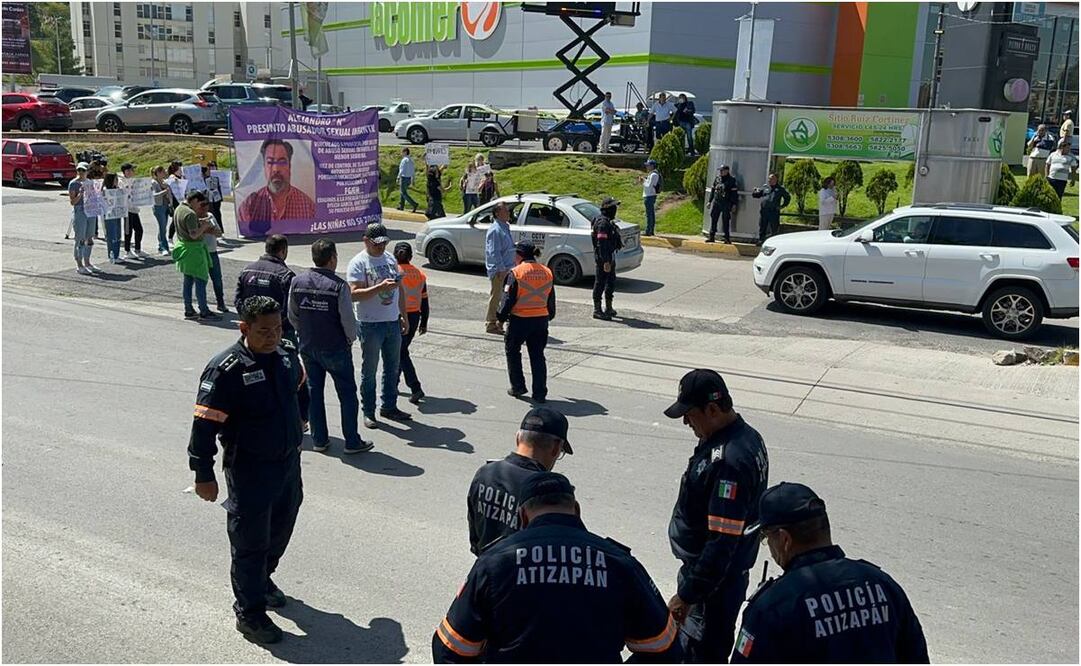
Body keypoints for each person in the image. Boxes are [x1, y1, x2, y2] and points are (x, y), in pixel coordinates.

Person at [433, 471, 682, 663]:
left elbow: (451, 647)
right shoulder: (619, 563)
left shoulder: (494, 563)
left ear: (522, 516)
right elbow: (664, 647)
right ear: (576, 510)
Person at [187, 295, 308, 644]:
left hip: (287, 463)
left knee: (282, 525)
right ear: (244, 328)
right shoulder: (226, 369)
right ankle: (250, 613)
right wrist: (203, 473)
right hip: (250, 469)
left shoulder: (286, 355)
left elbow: (301, 389)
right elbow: (204, 425)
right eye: (263, 330)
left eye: (277, 328)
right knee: (250, 542)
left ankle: (264, 578)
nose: (272, 336)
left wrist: (301, 419)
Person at [730, 483, 929, 663]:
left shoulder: (772, 607)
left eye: (766, 538)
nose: (770, 549)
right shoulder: (883, 585)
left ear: (784, 540)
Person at [664, 368, 769, 663]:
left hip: (713, 586)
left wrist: (687, 595)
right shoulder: (745, 435)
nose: (685, 421)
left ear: (712, 409)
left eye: (690, 413)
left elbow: (721, 543)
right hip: (717, 578)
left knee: (701, 652)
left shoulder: (729, 463)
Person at [288, 238, 372, 455]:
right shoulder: (338, 286)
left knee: (314, 393)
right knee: (347, 394)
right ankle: (352, 441)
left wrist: (304, 332)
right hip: (335, 348)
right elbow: (348, 321)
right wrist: (350, 339)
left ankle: (319, 439)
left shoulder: (297, 282)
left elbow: (293, 316)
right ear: (333, 258)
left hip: (308, 346)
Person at [466, 407, 571, 555]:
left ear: (518, 438)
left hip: (486, 567)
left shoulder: (485, 473)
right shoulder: (547, 492)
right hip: (523, 575)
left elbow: (474, 534)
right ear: (555, 448)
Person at [347, 223, 412, 429]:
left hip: (392, 321)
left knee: (392, 367)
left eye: (384, 243)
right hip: (370, 323)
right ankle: (368, 411)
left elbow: (399, 289)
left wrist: (404, 315)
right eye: (377, 244)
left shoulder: (390, 258)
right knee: (370, 370)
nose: (381, 248)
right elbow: (353, 294)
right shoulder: (358, 263)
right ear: (366, 241)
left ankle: (389, 406)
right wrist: (379, 288)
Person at [497, 242, 556, 403]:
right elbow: (551, 298)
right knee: (537, 356)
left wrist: (500, 319)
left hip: (520, 320)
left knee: (513, 352)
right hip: (541, 320)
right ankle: (540, 393)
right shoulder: (547, 272)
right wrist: (548, 316)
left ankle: (518, 386)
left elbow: (507, 299)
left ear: (519, 255)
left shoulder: (516, 273)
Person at [238, 139, 316, 231]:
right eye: (270, 162)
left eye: (282, 162)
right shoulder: (248, 206)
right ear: (264, 166)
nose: (276, 169)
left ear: (289, 166)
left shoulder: (308, 207)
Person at [235, 235, 297, 341]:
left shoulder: (246, 270)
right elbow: (289, 309)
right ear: (283, 251)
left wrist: (250, 322)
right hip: (279, 333)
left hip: (253, 330)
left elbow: (238, 301)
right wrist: (277, 326)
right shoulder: (286, 275)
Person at [173, 191, 221, 321]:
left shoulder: (179, 208)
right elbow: (194, 234)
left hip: (184, 249)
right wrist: (204, 226)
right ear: (194, 200)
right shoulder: (190, 214)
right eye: (200, 204)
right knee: (200, 281)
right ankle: (203, 310)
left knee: (188, 281)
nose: (201, 207)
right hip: (194, 251)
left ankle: (188, 309)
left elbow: (189, 225)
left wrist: (199, 221)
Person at [394, 242, 429, 405]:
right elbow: (425, 300)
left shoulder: (394, 272)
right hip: (414, 317)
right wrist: (424, 322)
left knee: (400, 352)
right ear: (411, 257)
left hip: (398, 316)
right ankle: (393, 384)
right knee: (400, 350)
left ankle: (415, 387)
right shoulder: (420, 274)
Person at [484, 201, 516, 335]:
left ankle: (500, 322)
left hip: (508, 269)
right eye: (505, 211)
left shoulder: (505, 227)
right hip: (499, 271)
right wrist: (501, 269)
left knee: (505, 297)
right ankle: (491, 324)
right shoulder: (495, 230)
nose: (509, 213)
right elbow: (494, 252)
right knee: (497, 296)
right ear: (497, 213)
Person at [590, 196, 624, 320]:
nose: (615, 209)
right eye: (613, 207)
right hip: (603, 258)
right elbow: (601, 243)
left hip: (610, 256)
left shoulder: (608, 221)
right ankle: (597, 310)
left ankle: (608, 308)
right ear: (607, 209)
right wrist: (605, 261)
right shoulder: (602, 223)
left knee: (611, 282)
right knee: (600, 283)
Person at [69, 162, 100, 275]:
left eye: (83, 170)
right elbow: (73, 202)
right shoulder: (73, 183)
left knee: (89, 237)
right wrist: (80, 194)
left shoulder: (90, 182)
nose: (81, 173)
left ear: (87, 171)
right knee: (80, 238)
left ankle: (87, 262)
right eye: (79, 170)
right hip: (80, 211)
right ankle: (79, 264)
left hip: (91, 211)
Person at [202, 200, 229, 314]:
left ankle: (220, 302)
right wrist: (207, 229)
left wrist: (209, 229)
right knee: (201, 280)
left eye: (206, 205)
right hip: (201, 253)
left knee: (217, 279)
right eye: (202, 205)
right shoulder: (194, 217)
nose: (205, 208)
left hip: (213, 252)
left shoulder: (210, 216)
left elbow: (218, 233)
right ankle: (202, 305)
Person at [119, 163, 147, 260]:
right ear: (125, 172)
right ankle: (127, 251)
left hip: (134, 209)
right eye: (130, 170)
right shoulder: (121, 182)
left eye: (132, 170)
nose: (132, 172)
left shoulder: (135, 180)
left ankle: (137, 249)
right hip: (127, 209)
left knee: (139, 229)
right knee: (128, 230)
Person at [752, 173, 791, 244]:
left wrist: (782, 206)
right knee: (762, 226)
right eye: (769, 178)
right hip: (764, 211)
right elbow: (757, 195)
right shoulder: (765, 188)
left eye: (772, 178)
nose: (770, 180)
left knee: (774, 227)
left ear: (776, 179)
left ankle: (774, 242)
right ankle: (761, 240)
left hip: (773, 211)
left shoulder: (780, 189)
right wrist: (755, 191)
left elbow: (787, 198)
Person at [100, 173, 127, 265]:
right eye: (115, 179)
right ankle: (112, 255)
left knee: (118, 234)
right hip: (109, 215)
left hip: (117, 214)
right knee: (112, 235)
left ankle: (117, 254)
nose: (117, 181)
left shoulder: (118, 190)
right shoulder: (105, 190)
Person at [708, 165, 740, 243]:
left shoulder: (731, 180)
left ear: (727, 171)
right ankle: (711, 236)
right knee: (714, 218)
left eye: (722, 170)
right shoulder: (717, 179)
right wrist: (710, 201)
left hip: (726, 203)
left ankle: (726, 238)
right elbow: (713, 190)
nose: (721, 172)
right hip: (717, 202)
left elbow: (734, 193)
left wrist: (734, 204)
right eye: (720, 170)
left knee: (725, 220)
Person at [151, 165, 173, 256]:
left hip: (166, 206)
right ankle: (164, 247)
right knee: (162, 227)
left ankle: (161, 245)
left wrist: (171, 203)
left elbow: (170, 193)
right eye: (163, 171)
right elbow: (154, 195)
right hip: (158, 206)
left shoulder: (165, 182)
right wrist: (165, 191)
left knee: (163, 227)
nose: (165, 173)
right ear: (158, 173)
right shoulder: (154, 183)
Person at [641, 159, 661, 236]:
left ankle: (648, 231)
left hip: (649, 196)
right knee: (650, 214)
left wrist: (643, 181)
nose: (647, 167)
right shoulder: (652, 174)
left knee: (649, 214)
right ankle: (650, 230)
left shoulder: (654, 175)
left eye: (648, 165)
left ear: (652, 166)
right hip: (649, 195)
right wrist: (645, 180)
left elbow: (649, 186)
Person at [397, 147, 420, 213]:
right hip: (409, 178)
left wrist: (398, 177)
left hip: (404, 178)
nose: (401, 153)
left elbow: (402, 169)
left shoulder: (404, 160)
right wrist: (413, 179)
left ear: (405, 152)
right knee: (403, 192)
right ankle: (401, 206)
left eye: (402, 152)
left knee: (403, 193)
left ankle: (414, 204)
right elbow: (413, 170)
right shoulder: (411, 160)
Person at [204, 163, 224, 229]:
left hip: (217, 197)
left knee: (217, 213)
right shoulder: (205, 177)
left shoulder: (218, 176)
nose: (211, 170)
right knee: (210, 213)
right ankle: (213, 229)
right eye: (209, 168)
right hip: (208, 198)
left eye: (213, 167)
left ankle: (220, 229)